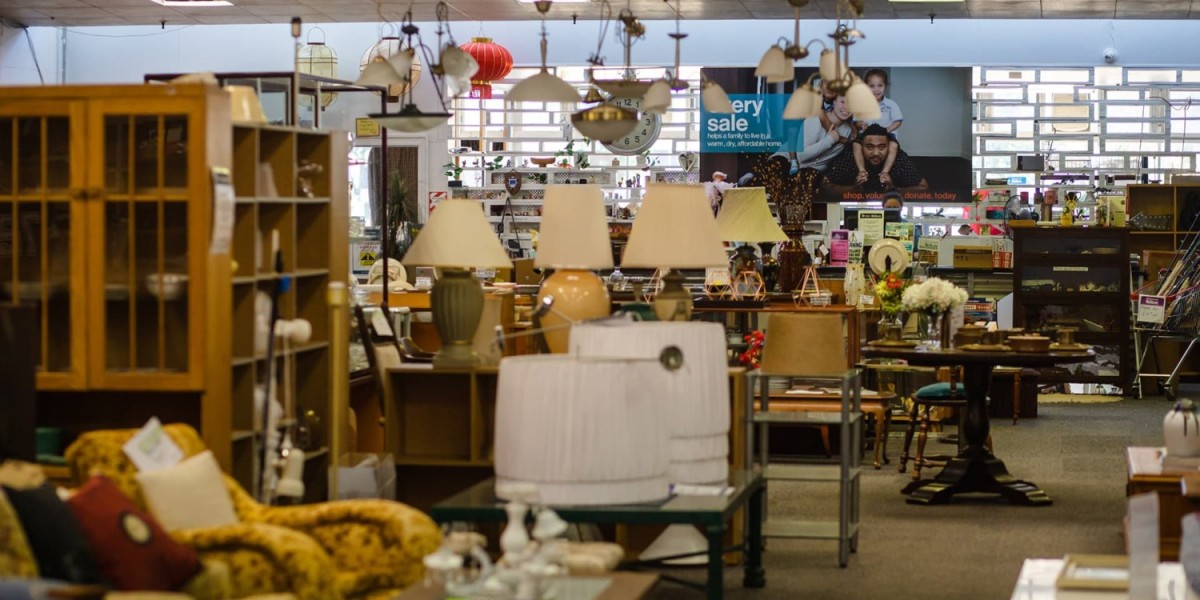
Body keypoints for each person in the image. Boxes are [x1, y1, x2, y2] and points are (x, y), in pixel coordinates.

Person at [825, 124, 928, 192]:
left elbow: (923, 186)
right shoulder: (850, 158)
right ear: (861, 147)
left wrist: (894, 189)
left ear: (889, 146)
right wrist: (853, 188)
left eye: (882, 147)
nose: (875, 153)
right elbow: (825, 185)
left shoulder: (898, 160)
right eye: (869, 147)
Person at [852, 69, 904, 185]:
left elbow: (898, 121)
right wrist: (861, 124)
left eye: (880, 85)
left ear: (885, 86)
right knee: (855, 144)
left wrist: (889, 129)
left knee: (894, 145)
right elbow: (857, 121)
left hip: (886, 135)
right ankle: (862, 171)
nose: (876, 90)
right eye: (872, 86)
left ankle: (885, 172)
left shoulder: (891, 105)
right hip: (867, 135)